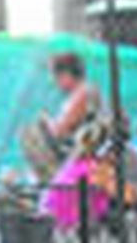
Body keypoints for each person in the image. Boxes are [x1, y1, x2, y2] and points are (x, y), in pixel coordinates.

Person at [20, 51, 101, 180]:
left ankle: (53, 179)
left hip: (77, 155)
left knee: (28, 134)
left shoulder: (83, 93)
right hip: (76, 150)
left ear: (67, 75)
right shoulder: (83, 92)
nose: (56, 83)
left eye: (57, 78)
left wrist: (46, 121)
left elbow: (60, 131)